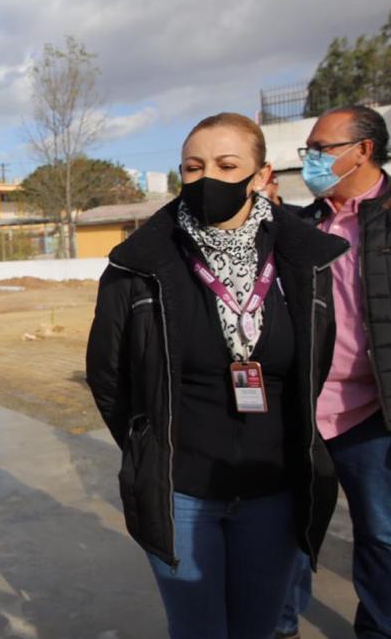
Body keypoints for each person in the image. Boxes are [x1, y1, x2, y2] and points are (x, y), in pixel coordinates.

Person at [86, 112, 348, 639]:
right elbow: (109, 378)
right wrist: (146, 444)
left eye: (227, 165)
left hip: (273, 494)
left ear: (260, 176)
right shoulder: (137, 269)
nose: (207, 178)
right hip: (182, 493)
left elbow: (312, 370)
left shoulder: (303, 263)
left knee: (258, 628)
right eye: (192, 167)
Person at [276, 105, 391, 639]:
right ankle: (278, 627)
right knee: (289, 533)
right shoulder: (302, 224)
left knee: (383, 536)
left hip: (375, 415)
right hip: (304, 410)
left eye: (322, 148)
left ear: (363, 149)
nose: (312, 160)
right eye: (310, 150)